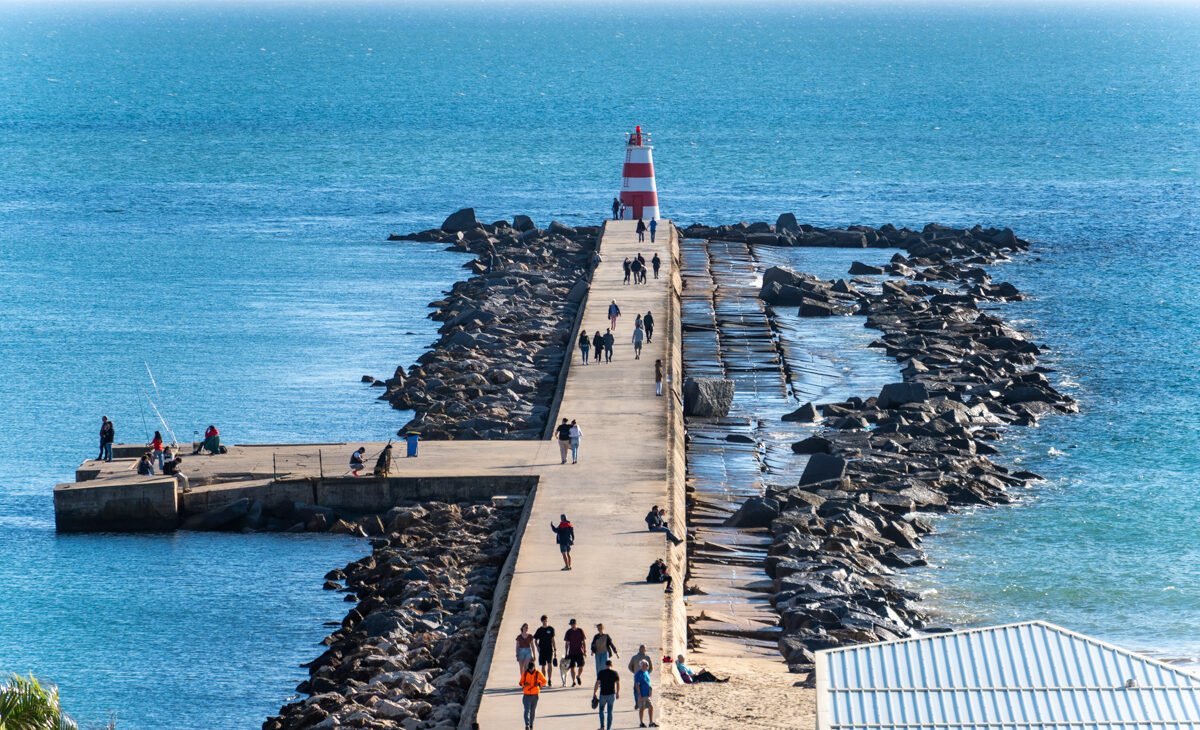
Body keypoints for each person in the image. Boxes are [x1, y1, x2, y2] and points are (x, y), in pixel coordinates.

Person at [593, 659, 621, 730]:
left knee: (601, 710)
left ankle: (602, 727)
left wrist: (594, 693)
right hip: (611, 694)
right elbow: (618, 684)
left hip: (603, 694)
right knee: (610, 711)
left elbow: (597, 683)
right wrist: (617, 693)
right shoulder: (615, 673)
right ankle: (609, 728)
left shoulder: (601, 673)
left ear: (605, 665)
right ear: (611, 665)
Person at [519, 660, 547, 730]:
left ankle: (531, 724)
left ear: (534, 667)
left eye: (532, 669)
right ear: (528, 668)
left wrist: (539, 684)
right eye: (530, 669)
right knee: (526, 710)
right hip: (526, 695)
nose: (531, 671)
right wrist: (524, 684)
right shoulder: (525, 674)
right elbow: (520, 682)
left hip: (535, 695)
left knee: (533, 711)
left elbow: (545, 681)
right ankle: (527, 725)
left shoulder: (538, 673)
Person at [563, 618, 588, 687]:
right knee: (572, 667)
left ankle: (578, 676)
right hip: (571, 652)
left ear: (576, 624)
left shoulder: (580, 631)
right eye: (571, 624)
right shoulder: (568, 632)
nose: (572, 625)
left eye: (573, 624)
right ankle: (573, 681)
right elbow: (567, 643)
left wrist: (585, 651)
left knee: (581, 666)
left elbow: (583, 642)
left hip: (579, 652)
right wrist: (566, 653)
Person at [534, 616, 557, 687]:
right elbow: (535, 640)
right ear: (542, 621)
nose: (545, 622)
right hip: (542, 650)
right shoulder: (539, 630)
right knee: (543, 666)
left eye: (546, 620)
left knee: (549, 664)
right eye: (544, 621)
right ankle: (544, 680)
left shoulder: (551, 629)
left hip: (549, 649)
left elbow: (553, 639)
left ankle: (549, 680)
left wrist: (555, 648)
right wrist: (537, 647)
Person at [634, 659, 657, 727]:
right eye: (644, 665)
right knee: (642, 708)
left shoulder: (646, 673)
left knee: (651, 707)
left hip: (647, 694)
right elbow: (637, 685)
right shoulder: (638, 674)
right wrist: (639, 695)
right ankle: (641, 723)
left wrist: (650, 693)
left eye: (646, 665)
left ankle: (651, 722)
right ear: (641, 666)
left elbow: (648, 683)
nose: (646, 666)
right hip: (642, 694)